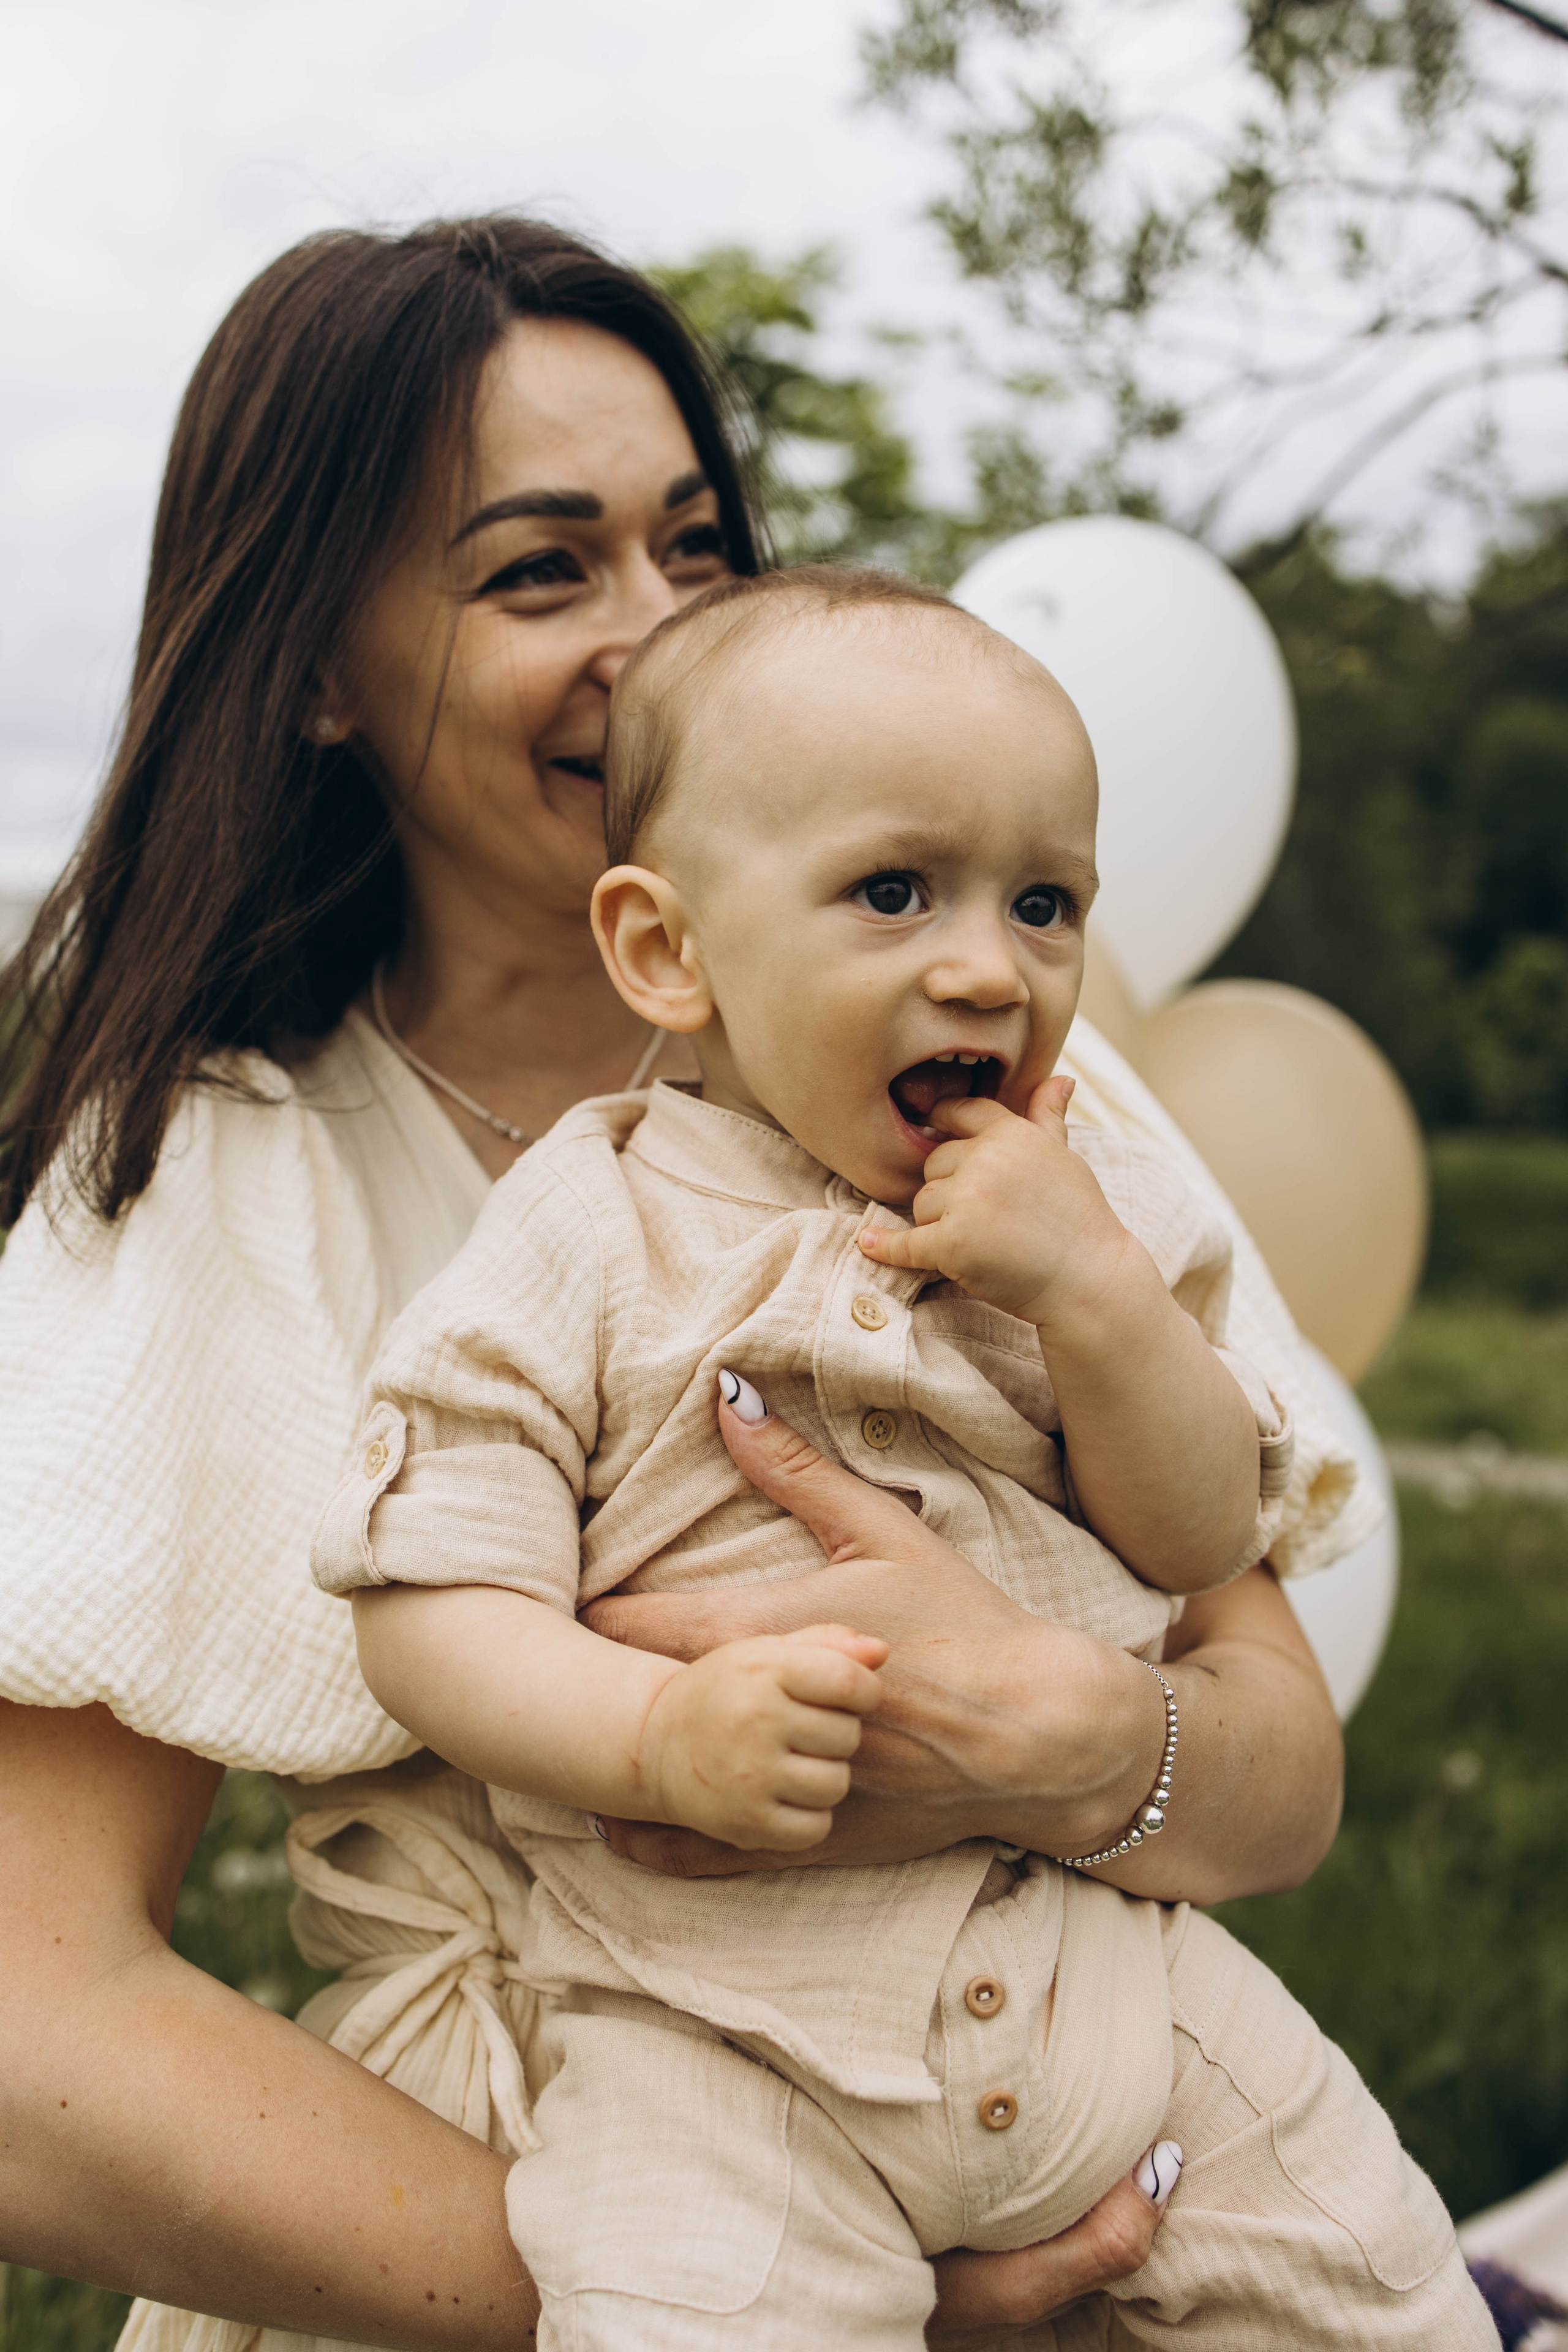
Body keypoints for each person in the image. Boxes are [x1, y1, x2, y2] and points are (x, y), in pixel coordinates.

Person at [0, 216, 1353, 2352]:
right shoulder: (219, 1170)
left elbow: (1280, 1778)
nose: (650, 633)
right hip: (552, 2256)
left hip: (1055, 2106)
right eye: (542, 570)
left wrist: (1082, 1737)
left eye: (695, 549)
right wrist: (778, 2291)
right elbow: (24, 2036)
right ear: (318, 674)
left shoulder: (993, 1093)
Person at [317, 565, 1490, 2350]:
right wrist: (651, 1737)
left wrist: (1099, 1299)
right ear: (669, 950)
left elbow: (1191, 1540)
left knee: (1389, 2293)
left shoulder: (1100, 1193)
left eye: (1043, 904)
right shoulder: (581, 1231)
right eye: (892, 892)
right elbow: (430, 1602)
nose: (985, 965)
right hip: (711, 2034)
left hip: (1120, 1987)